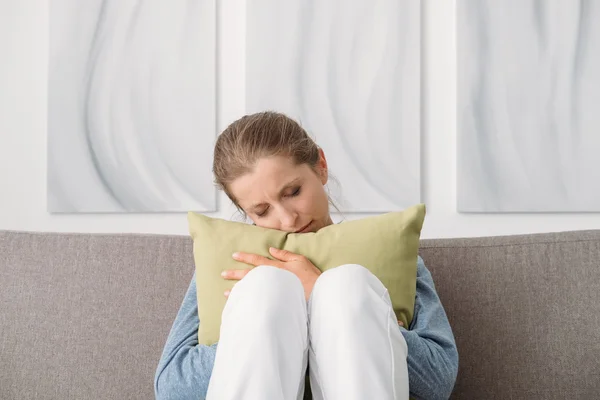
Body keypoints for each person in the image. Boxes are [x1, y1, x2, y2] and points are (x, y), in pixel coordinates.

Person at [154, 111, 458, 400]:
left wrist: (327, 296)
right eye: (262, 211)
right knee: (266, 287)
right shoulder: (233, 264)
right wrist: (264, 324)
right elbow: (171, 388)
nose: (288, 220)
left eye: (293, 191)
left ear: (321, 166)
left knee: (346, 284)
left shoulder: (392, 255)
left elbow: (438, 381)